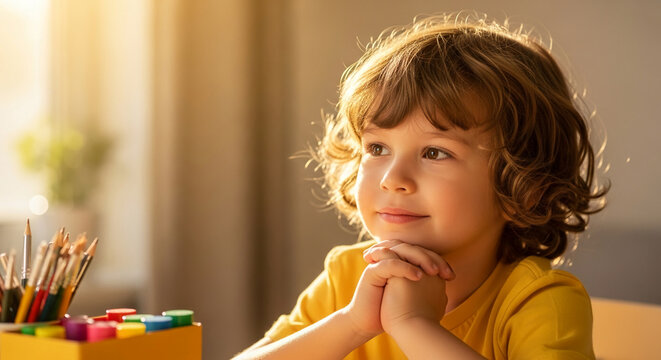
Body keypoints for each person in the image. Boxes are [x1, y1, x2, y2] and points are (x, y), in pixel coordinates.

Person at [235, 13, 608, 360]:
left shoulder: (539, 301)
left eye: (434, 152)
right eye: (377, 148)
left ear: (524, 186)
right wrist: (352, 323)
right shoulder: (347, 276)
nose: (392, 178)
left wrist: (413, 326)